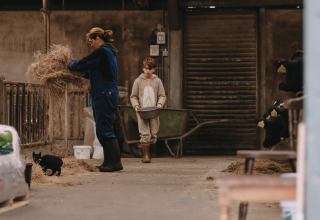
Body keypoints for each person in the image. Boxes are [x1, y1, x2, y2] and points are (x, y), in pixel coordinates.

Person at [67, 27, 122, 172]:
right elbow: (89, 70)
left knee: (105, 128)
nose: (91, 45)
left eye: (91, 42)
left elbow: (82, 64)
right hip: (105, 92)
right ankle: (109, 161)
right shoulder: (109, 53)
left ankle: (115, 162)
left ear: (98, 38)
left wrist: (69, 64)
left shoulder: (102, 51)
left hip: (104, 92)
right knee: (103, 127)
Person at [130, 57, 166, 163]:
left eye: (150, 69)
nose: (148, 71)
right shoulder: (138, 81)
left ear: (154, 69)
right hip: (142, 111)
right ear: (142, 69)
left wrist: (160, 104)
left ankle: (150, 152)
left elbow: (162, 95)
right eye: (146, 69)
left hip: (154, 111)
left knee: (153, 134)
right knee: (144, 133)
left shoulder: (157, 81)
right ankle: (145, 156)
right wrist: (136, 105)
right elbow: (133, 96)